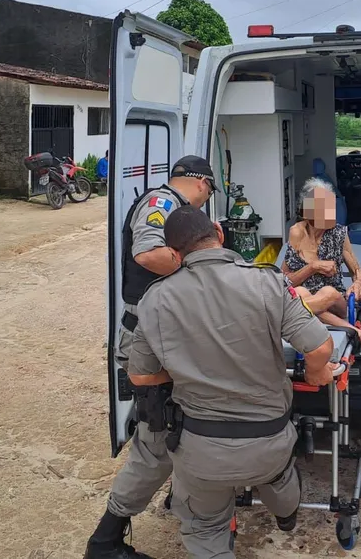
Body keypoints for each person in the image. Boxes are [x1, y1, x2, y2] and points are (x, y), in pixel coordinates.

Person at [127, 205, 336, 558]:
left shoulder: (156, 299)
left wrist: (183, 368)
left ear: (175, 255)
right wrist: (316, 373)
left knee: (206, 528)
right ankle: (285, 515)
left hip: (200, 450)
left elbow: (141, 375)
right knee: (279, 474)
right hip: (268, 441)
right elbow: (320, 347)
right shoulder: (266, 281)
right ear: (219, 234)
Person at [85, 156, 217, 559]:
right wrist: (200, 261)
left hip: (164, 336)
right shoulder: (161, 204)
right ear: (200, 182)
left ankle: (178, 499)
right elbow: (147, 254)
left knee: (179, 428)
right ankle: (105, 540)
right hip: (150, 338)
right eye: (210, 190)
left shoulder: (175, 208)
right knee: (157, 438)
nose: (208, 199)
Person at [283, 177, 361, 363]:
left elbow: (357, 270)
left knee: (328, 292)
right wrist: (313, 267)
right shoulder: (297, 233)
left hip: (336, 302)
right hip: (308, 300)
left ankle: (285, 313)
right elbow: (284, 280)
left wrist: (358, 284)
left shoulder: (339, 233)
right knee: (300, 292)